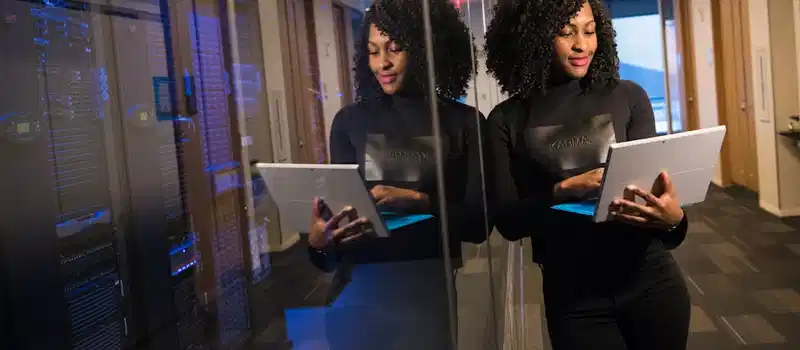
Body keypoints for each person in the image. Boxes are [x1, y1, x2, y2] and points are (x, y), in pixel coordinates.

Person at [484, 1, 690, 349]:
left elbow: (655, 203)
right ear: (535, 37)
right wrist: (562, 190)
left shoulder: (629, 97)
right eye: (566, 33)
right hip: (574, 299)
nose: (582, 44)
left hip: (652, 283)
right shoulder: (507, 119)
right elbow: (509, 222)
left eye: (590, 31)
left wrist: (675, 221)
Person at [305, 0, 489, 348]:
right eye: (373, 51)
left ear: (425, 48)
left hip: (425, 297)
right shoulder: (349, 122)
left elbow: (478, 226)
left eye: (394, 49)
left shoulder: (463, 122)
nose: (382, 63)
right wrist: (318, 243)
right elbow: (336, 239)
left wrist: (420, 201)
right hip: (355, 294)